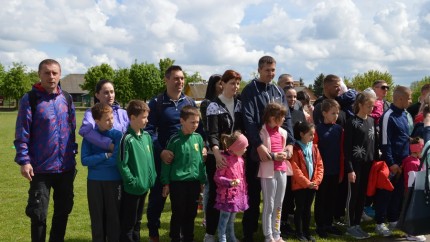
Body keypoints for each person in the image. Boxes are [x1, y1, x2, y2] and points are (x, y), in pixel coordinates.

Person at [14, 59, 78, 242]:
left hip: (65, 168)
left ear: (60, 75)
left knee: (63, 212)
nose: (51, 77)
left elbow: (72, 129)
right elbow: (22, 133)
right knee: (38, 214)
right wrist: (24, 161)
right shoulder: (30, 99)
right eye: (47, 73)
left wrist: (72, 154)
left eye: (55, 73)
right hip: (40, 170)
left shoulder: (66, 98)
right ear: (39, 74)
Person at [145, 65, 203, 242]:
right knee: (157, 199)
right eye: (176, 78)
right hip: (164, 160)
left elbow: (199, 128)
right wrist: (161, 151)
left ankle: (183, 236)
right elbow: (148, 130)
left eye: (182, 78)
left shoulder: (190, 102)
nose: (180, 82)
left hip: (185, 164)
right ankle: (154, 233)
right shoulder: (157, 103)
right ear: (166, 79)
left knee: (183, 205)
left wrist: (204, 146)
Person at [241, 56, 295, 242]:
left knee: (277, 200)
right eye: (267, 70)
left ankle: (275, 232)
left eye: (273, 70)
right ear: (259, 69)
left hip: (278, 154)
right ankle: (250, 233)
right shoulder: (249, 90)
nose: (271, 74)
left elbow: (286, 119)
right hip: (258, 151)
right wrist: (258, 144)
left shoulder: (278, 90)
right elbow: (248, 120)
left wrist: (290, 143)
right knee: (255, 197)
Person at [204, 70, 243, 242]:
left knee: (233, 194)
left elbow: (240, 130)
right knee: (215, 195)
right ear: (223, 84)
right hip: (217, 157)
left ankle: (228, 232)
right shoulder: (214, 105)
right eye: (232, 83)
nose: (235, 87)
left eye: (237, 83)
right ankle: (210, 233)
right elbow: (212, 132)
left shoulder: (239, 104)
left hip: (235, 158)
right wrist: (217, 153)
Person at [161, 106, 207, 242]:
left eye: (197, 122)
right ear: (182, 121)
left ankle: (188, 237)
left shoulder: (198, 139)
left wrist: (202, 181)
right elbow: (166, 163)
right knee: (178, 213)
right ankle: (175, 238)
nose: (195, 125)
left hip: (194, 183)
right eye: (192, 122)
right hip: (178, 184)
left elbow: (200, 162)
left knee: (191, 213)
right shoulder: (174, 140)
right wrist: (166, 183)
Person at [81, 103, 123, 242]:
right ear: (97, 121)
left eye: (112, 118)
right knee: (97, 218)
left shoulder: (118, 135)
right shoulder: (89, 136)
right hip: (94, 182)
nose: (111, 121)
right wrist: (105, 155)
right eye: (107, 119)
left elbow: (116, 160)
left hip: (114, 180)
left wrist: (98, 161)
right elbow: (85, 160)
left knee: (113, 218)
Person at [117, 100, 157, 242]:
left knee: (138, 222)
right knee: (128, 223)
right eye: (144, 117)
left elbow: (150, 160)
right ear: (133, 118)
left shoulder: (146, 137)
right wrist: (132, 182)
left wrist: (151, 178)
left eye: (147, 117)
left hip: (144, 186)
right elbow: (122, 164)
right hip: (132, 189)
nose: (147, 121)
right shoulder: (126, 139)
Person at [375, 86, 412, 237]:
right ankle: (379, 223)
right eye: (409, 98)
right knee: (385, 193)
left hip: (404, 161)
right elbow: (385, 142)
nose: (410, 101)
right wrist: (391, 163)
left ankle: (393, 219)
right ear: (400, 98)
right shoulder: (387, 116)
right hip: (391, 163)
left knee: (397, 193)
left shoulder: (405, 115)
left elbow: (405, 137)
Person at [344, 92, 378, 239]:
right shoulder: (351, 122)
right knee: (354, 195)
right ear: (360, 105)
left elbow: (374, 144)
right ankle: (350, 225)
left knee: (363, 195)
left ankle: (358, 223)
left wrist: (376, 162)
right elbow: (347, 148)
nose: (371, 109)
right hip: (355, 164)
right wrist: (350, 169)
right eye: (369, 106)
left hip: (368, 164)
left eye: (373, 106)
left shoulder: (371, 120)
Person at [258, 103, 292, 242]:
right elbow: (261, 154)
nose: (284, 119)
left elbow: (287, 148)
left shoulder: (283, 132)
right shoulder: (261, 132)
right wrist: (274, 155)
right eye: (281, 116)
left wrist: (286, 153)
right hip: (268, 172)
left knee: (279, 203)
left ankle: (277, 234)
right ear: (272, 117)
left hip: (282, 170)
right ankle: (268, 235)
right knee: (269, 204)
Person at [313, 99, 344, 238]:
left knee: (332, 198)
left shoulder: (339, 129)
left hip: (335, 170)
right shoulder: (317, 130)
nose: (336, 116)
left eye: (337, 113)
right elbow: (314, 151)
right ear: (324, 113)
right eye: (333, 113)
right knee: (321, 199)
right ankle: (320, 225)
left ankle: (329, 223)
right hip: (322, 172)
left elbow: (342, 151)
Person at [290, 121, 323, 242]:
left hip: (312, 184)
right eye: (310, 134)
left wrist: (316, 181)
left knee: (308, 209)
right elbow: (295, 168)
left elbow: (320, 165)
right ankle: (299, 232)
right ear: (302, 134)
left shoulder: (314, 147)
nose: (312, 137)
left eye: (313, 134)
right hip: (300, 186)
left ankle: (307, 232)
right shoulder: (295, 148)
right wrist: (306, 183)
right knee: (300, 209)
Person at [214, 131, 249, 242]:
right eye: (244, 147)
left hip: (236, 196)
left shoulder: (241, 160)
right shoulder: (224, 159)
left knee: (232, 219)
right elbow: (218, 177)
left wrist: (243, 191)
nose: (246, 149)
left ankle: (231, 237)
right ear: (235, 148)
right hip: (227, 197)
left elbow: (242, 178)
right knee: (224, 219)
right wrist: (229, 182)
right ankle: (222, 238)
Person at [79, 79, 129, 151]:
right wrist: (109, 144)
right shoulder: (91, 113)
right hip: (103, 158)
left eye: (112, 92)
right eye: (106, 93)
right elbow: (85, 130)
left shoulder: (123, 113)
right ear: (97, 95)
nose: (110, 95)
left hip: (122, 158)